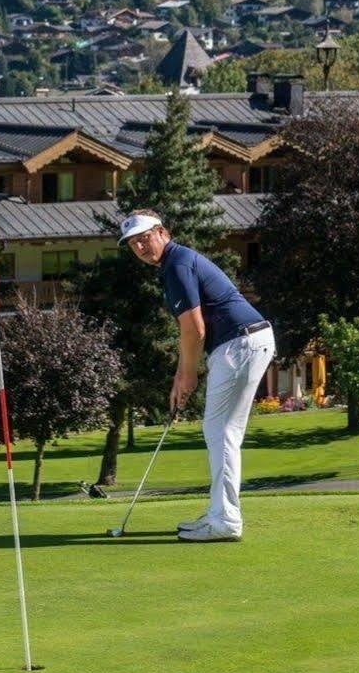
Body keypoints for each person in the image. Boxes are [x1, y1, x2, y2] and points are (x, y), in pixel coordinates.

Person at [118, 208, 276, 542]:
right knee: (222, 431)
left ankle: (225, 520)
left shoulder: (176, 265)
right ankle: (220, 515)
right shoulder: (176, 263)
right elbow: (191, 332)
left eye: (145, 238)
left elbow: (194, 329)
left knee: (219, 430)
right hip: (246, 341)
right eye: (133, 244)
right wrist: (181, 373)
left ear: (162, 232)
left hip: (239, 343)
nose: (141, 248)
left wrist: (187, 377)